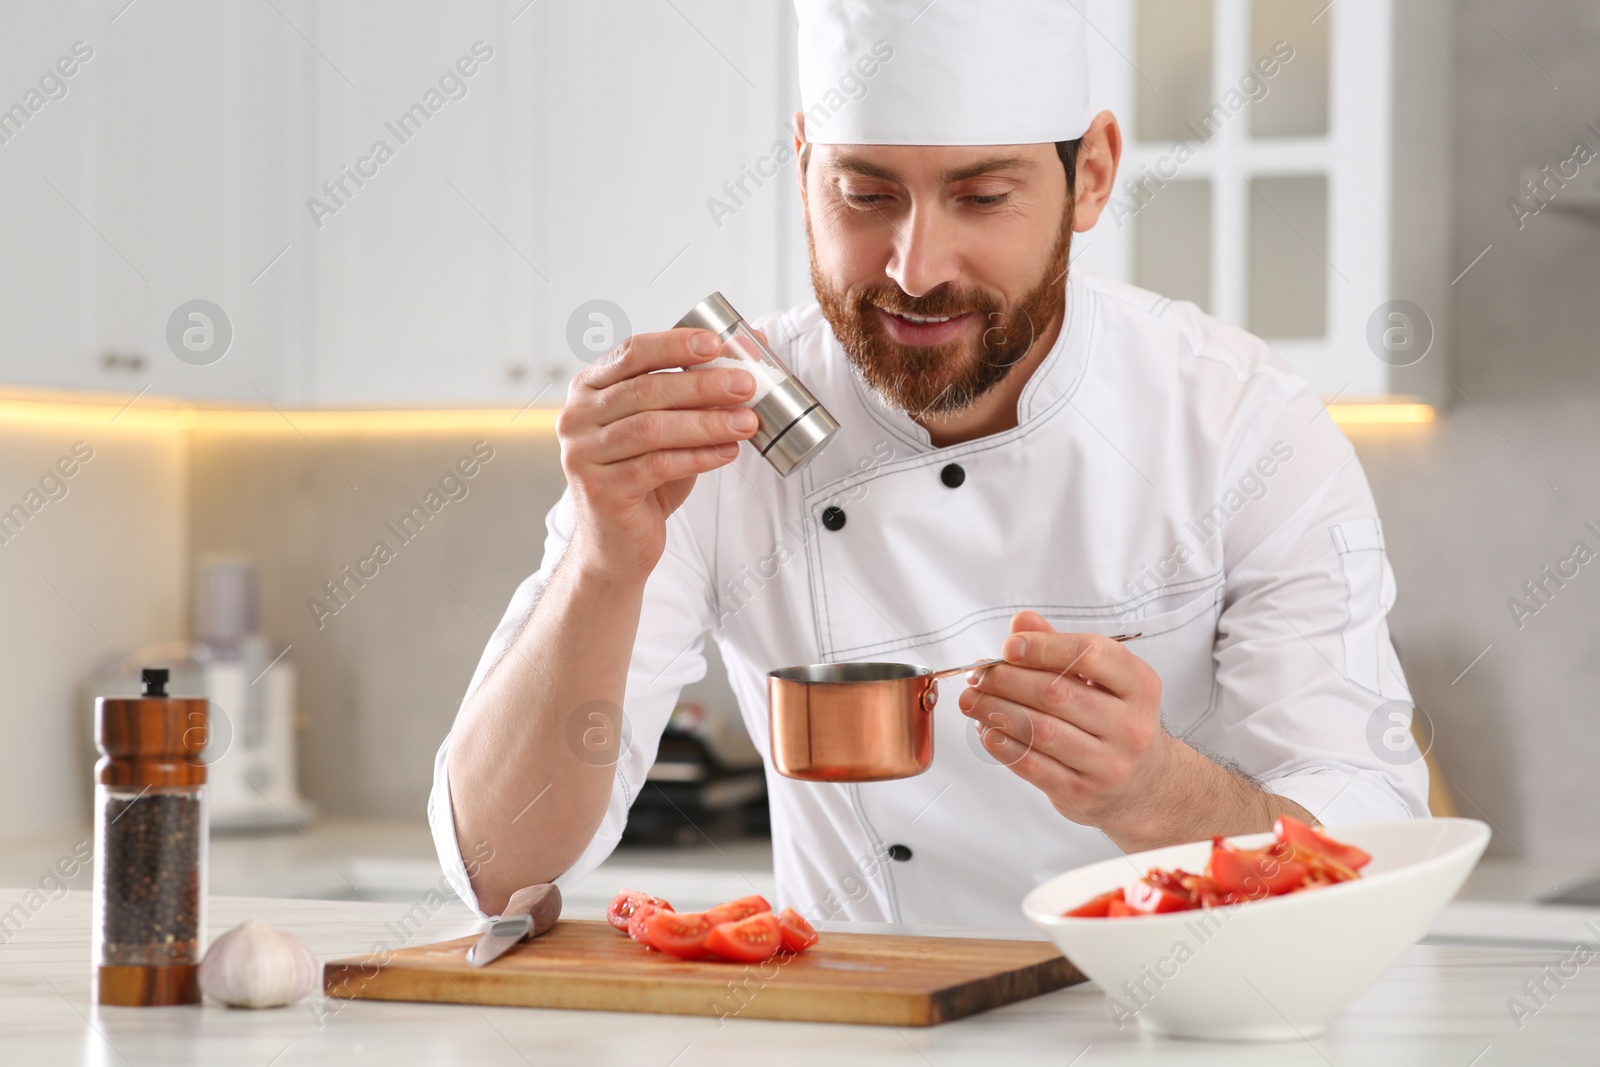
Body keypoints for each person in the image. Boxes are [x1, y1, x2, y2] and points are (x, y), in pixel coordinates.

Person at [431, 0, 1428, 926]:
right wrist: (603, 562)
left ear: (1090, 176)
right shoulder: (719, 427)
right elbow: (495, 869)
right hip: (865, 1031)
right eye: (864, 194)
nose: (915, 267)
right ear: (802, 168)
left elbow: (1372, 852)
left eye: (982, 195)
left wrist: (1151, 786)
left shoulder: (1243, 427)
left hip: (1166, 1031)